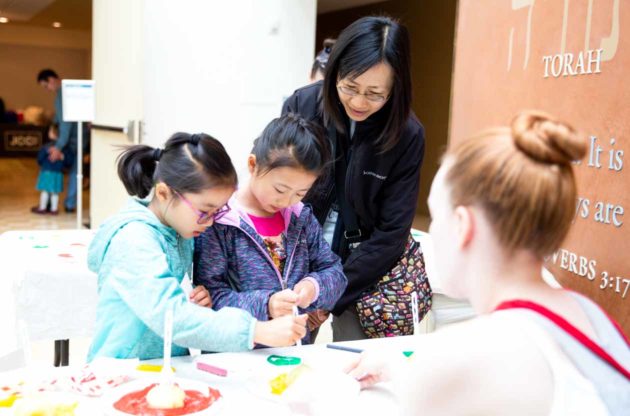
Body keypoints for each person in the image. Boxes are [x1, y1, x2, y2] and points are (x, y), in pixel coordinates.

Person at [345, 111, 630, 415]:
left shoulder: (465, 356)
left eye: (435, 215)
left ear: (462, 225)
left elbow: (461, 371)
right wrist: (400, 367)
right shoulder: (587, 312)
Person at [87, 132, 307, 361]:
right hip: (120, 370)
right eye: (204, 211)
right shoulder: (133, 240)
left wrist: (191, 298)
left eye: (217, 212)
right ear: (163, 193)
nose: (210, 222)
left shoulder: (178, 229)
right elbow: (170, 317)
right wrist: (255, 330)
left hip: (163, 363)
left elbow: (163, 298)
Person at [282, 16, 425, 341]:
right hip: (298, 262)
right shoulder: (303, 105)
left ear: (396, 88)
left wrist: (331, 294)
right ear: (333, 73)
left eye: (376, 94)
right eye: (350, 87)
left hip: (363, 270)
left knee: (356, 365)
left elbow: (392, 231)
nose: (359, 102)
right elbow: (276, 188)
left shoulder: (407, 134)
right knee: (286, 360)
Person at [194, 114, 347, 344]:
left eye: (300, 193)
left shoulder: (300, 217)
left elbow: (335, 272)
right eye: (280, 189)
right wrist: (267, 305)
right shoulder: (222, 220)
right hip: (235, 357)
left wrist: (313, 287)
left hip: (292, 355)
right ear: (253, 165)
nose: (287, 201)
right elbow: (211, 297)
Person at [37, 69, 79, 213]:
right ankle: (67, 204)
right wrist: (53, 126)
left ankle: (62, 203)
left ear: (51, 80)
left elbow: (66, 122)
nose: (47, 90)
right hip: (75, 138)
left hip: (72, 140)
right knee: (75, 171)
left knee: (74, 171)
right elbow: (60, 118)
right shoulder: (66, 91)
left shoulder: (63, 94)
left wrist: (59, 146)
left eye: (45, 86)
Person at [31, 127, 73, 215]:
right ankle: (54, 209)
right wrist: (62, 157)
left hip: (46, 172)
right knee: (55, 192)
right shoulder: (65, 148)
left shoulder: (46, 147)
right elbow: (69, 161)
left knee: (45, 191)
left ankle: (42, 208)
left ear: (51, 134)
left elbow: (39, 159)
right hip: (58, 173)